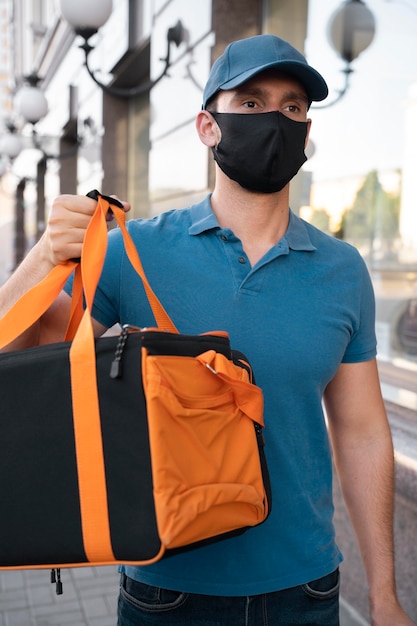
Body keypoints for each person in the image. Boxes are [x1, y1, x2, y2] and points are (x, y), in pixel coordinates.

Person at [0, 34, 415, 626]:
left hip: (308, 590)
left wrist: (383, 594)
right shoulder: (132, 252)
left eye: (292, 106)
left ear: (306, 132)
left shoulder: (342, 269)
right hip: (166, 594)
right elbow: (17, 360)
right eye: (250, 102)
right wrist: (41, 259)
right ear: (206, 126)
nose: (275, 118)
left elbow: (364, 433)